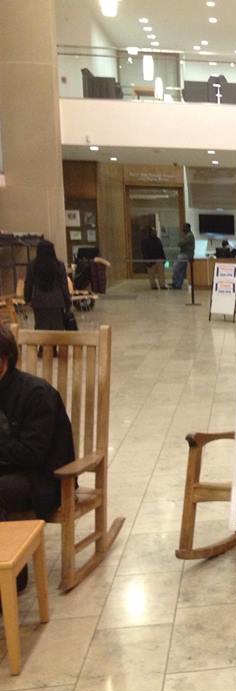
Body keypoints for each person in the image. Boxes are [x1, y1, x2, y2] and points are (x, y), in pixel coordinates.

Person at [0, 324, 75, 593]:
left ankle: (10, 575)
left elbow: (33, 454)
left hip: (43, 479)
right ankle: (10, 570)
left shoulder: (36, 394)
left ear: (3, 359)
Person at [23, 240, 71, 330]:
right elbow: (64, 285)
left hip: (39, 303)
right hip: (57, 302)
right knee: (58, 332)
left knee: (42, 332)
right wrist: (67, 301)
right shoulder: (59, 265)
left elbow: (28, 284)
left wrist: (27, 299)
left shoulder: (32, 265)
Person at [171, 223, 196, 289]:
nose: (183, 229)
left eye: (184, 227)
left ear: (188, 228)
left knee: (175, 268)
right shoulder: (187, 235)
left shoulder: (189, 236)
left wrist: (181, 241)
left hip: (185, 254)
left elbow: (180, 243)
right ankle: (178, 285)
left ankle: (175, 283)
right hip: (186, 254)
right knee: (181, 270)